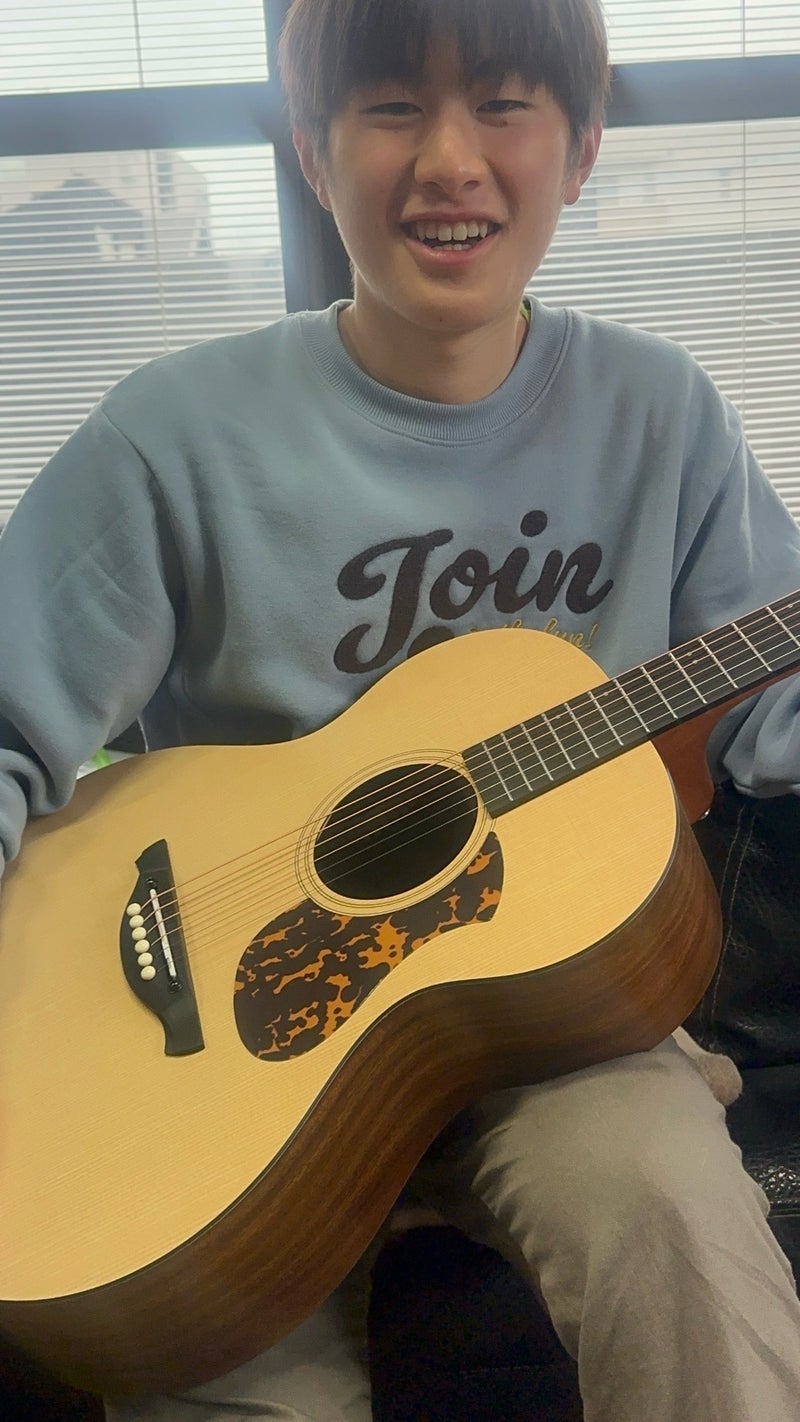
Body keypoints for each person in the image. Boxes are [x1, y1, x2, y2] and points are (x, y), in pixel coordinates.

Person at [1, 1, 800, 1418]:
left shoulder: (666, 417)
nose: (449, 160)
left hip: (564, 1027)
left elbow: (773, 719)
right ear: (313, 153)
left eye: (502, 105)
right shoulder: (172, 436)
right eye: (388, 109)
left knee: (683, 1232)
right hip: (219, 1059)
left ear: (582, 147)